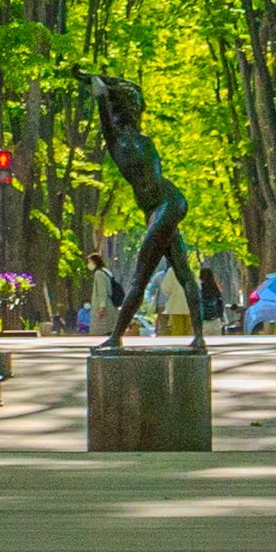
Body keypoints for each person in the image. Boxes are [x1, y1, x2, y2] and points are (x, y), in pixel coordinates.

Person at [94, 77, 202, 351]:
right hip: (164, 206)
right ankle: (199, 339)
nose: (136, 110)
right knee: (182, 271)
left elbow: (109, 106)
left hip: (165, 206)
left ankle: (116, 337)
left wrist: (101, 88)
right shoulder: (125, 142)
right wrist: (97, 85)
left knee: (139, 277)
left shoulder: (127, 142)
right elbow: (109, 106)